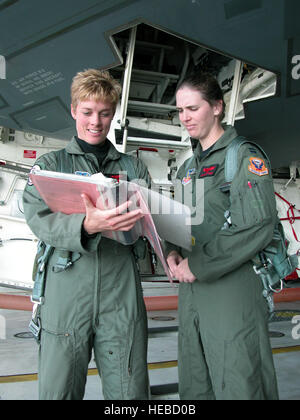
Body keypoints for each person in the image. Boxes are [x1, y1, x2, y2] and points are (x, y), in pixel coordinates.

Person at [23, 69, 150, 400]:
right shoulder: (50, 165)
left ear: (113, 114)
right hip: (67, 289)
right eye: (88, 112)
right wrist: (86, 225)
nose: (97, 121)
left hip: (121, 290)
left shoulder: (135, 169)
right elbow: (37, 218)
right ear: (73, 110)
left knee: (129, 392)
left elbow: (152, 222)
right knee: (58, 390)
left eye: (105, 113)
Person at [166, 72, 279, 400]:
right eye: (180, 110)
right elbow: (183, 223)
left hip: (232, 291)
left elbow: (255, 225)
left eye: (193, 108)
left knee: (239, 380)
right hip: (191, 293)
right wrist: (172, 252)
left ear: (216, 107)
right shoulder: (188, 168)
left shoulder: (243, 156)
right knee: (195, 383)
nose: (185, 117)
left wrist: (197, 264)